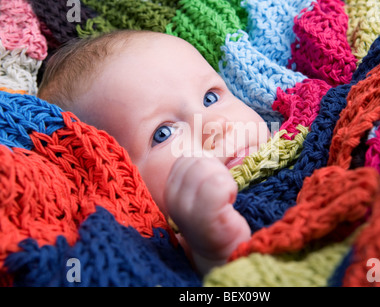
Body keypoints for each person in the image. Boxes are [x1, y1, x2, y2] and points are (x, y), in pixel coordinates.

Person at [38, 30, 271, 275]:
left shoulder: (303, 139)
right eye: (163, 133)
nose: (216, 126)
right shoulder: (181, 240)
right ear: (124, 187)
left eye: (210, 98)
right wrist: (209, 248)